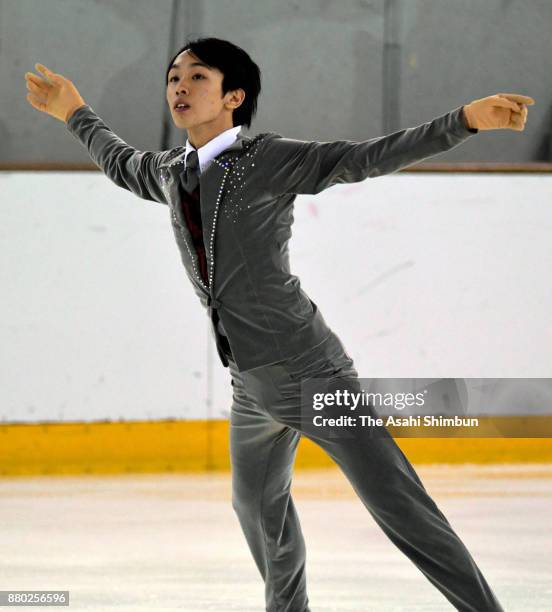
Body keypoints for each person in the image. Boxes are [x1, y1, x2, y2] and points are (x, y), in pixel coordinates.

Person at [25, 37, 534, 612]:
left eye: (197, 78)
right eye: (173, 79)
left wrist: (464, 121)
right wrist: (73, 110)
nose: (180, 88)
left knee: (400, 507)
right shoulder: (173, 171)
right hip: (251, 388)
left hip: (311, 374)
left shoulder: (267, 159)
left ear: (234, 96)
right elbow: (121, 163)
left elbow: (363, 157)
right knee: (258, 510)